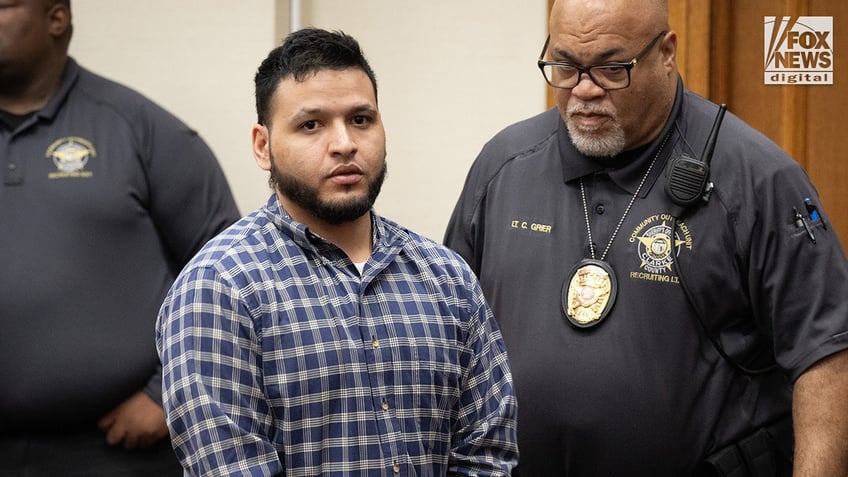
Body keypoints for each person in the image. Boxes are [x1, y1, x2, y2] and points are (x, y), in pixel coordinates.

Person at [444, 0, 848, 475]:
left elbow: (827, 358)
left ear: (667, 52)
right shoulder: (503, 165)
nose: (585, 90)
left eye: (612, 68)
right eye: (565, 66)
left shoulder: (759, 178)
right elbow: (451, 335)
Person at [155, 28, 518, 476]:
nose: (345, 143)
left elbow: (487, 454)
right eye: (312, 125)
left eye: (361, 120)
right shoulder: (219, 286)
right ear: (263, 146)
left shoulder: (446, 277)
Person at [0, 0, 241, 475]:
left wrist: (166, 392)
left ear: (55, 18)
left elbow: (232, 277)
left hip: (112, 453)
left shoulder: (139, 128)